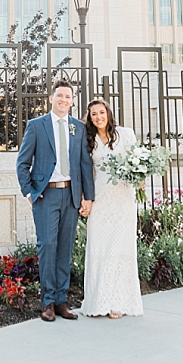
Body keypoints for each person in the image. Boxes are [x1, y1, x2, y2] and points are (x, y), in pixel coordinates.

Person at [15, 79, 95, 322]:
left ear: (72, 101)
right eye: (59, 96)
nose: (63, 100)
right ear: (51, 99)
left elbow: (84, 164)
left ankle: (61, 301)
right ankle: (47, 302)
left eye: (68, 97)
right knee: (48, 246)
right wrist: (30, 192)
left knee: (64, 248)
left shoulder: (78, 128)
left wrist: (88, 197)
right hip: (46, 195)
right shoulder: (36, 126)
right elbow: (22, 162)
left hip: (70, 195)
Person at [80, 100, 143, 318]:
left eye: (101, 112)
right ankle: (99, 300)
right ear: (89, 118)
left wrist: (140, 178)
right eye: (94, 114)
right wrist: (85, 199)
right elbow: (86, 172)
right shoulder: (88, 140)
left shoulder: (126, 134)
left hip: (124, 199)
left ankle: (118, 301)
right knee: (100, 248)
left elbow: (138, 161)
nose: (98, 117)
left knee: (120, 249)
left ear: (108, 113)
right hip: (101, 199)